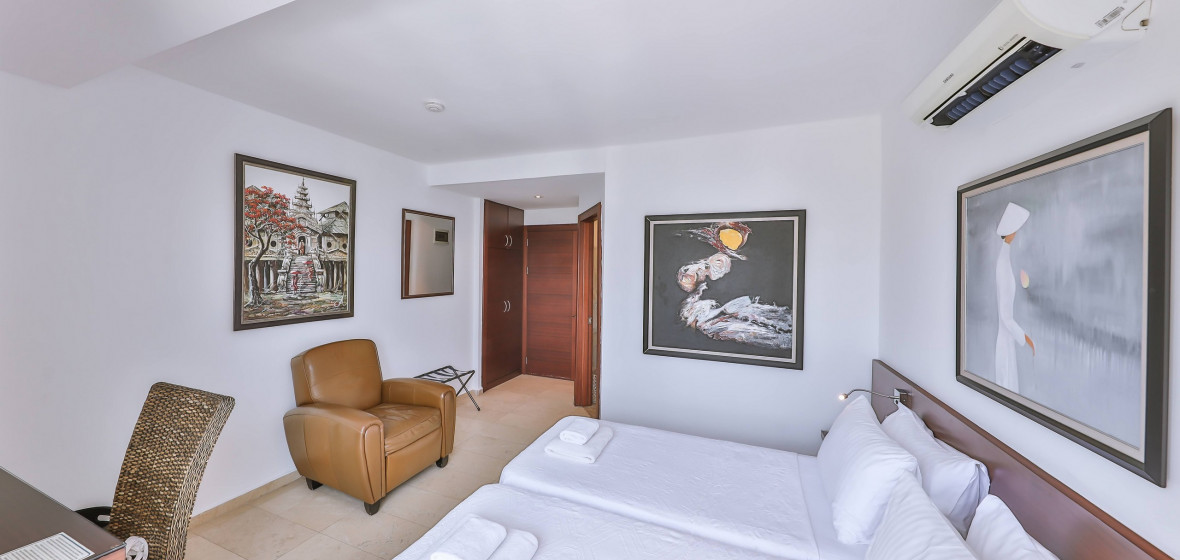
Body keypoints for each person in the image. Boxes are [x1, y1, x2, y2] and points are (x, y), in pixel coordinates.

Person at [994, 202, 1035, 392]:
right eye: (1016, 229)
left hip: (1007, 339)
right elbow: (1005, 316)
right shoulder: (1002, 264)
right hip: (1006, 340)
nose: (1017, 233)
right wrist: (1025, 337)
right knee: (1007, 383)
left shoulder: (1005, 259)